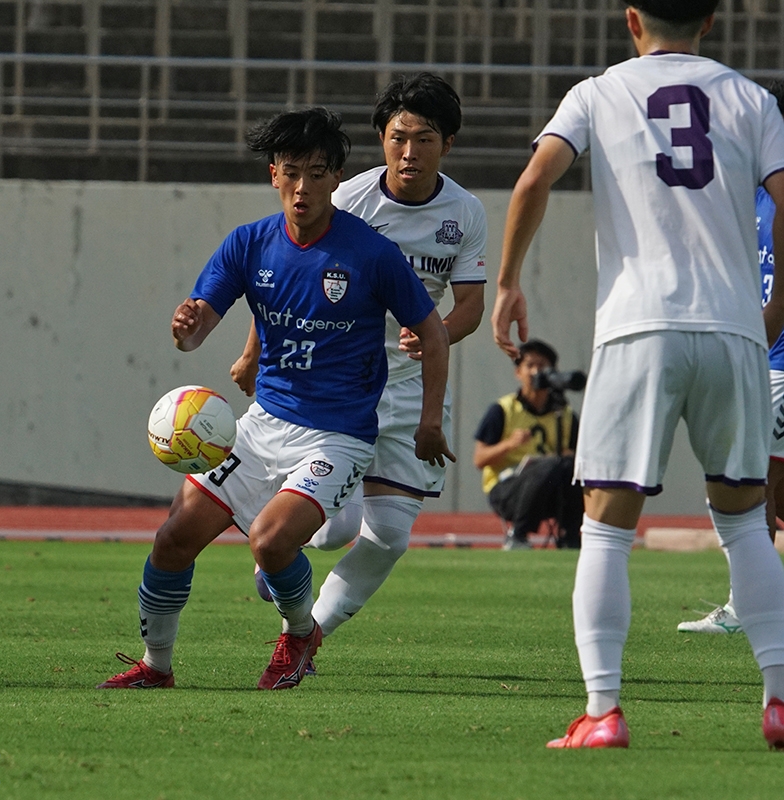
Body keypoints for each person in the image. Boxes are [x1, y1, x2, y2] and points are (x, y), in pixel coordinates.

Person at [492, 0, 784, 750]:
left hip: (638, 326)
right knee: (746, 521)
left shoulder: (598, 92)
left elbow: (533, 182)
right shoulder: (753, 99)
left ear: (630, 19)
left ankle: (603, 712)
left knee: (605, 527)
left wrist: (510, 282)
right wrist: (778, 302)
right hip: (732, 326)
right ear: (711, 20)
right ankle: (779, 701)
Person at [98, 107, 453, 691]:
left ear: (336, 178)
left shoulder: (372, 253)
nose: (302, 188)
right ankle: (155, 666)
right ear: (273, 175)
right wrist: (186, 326)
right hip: (262, 426)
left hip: (338, 437)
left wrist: (429, 421)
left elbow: (433, 334)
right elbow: (197, 330)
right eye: (291, 173)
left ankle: (299, 632)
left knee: (270, 541)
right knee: (173, 539)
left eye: (316, 173)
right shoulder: (249, 244)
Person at [230, 74, 485, 643]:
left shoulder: (465, 213)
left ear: (447, 144)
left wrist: (437, 334)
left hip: (410, 386)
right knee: (333, 529)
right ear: (381, 139)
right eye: (398, 138)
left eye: (424, 139)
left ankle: (308, 636)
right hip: (341, 383)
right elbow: (289, 276)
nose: (409, 152)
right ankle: (281, 542)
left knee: (390, 535)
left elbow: (471, 306)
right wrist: (252, 352)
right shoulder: (349, 198)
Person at [678, 80, 784, 636]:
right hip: (762, 358)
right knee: (757, 485)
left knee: (749, 483)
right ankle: (752, 603)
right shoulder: (757, 194)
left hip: (775, 363)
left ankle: (749, 606)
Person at [473, 339, 582, 550]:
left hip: (551, 492)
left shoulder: (565, 415)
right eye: (530, 365)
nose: (536, 372)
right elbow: (479, 460)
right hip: (508, 490)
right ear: (518, 372)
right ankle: (518, 535)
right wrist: (509, 445)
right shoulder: (502, 410)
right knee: (548, 465)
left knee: (570, 467)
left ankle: (571, 537)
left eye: (542, 366)